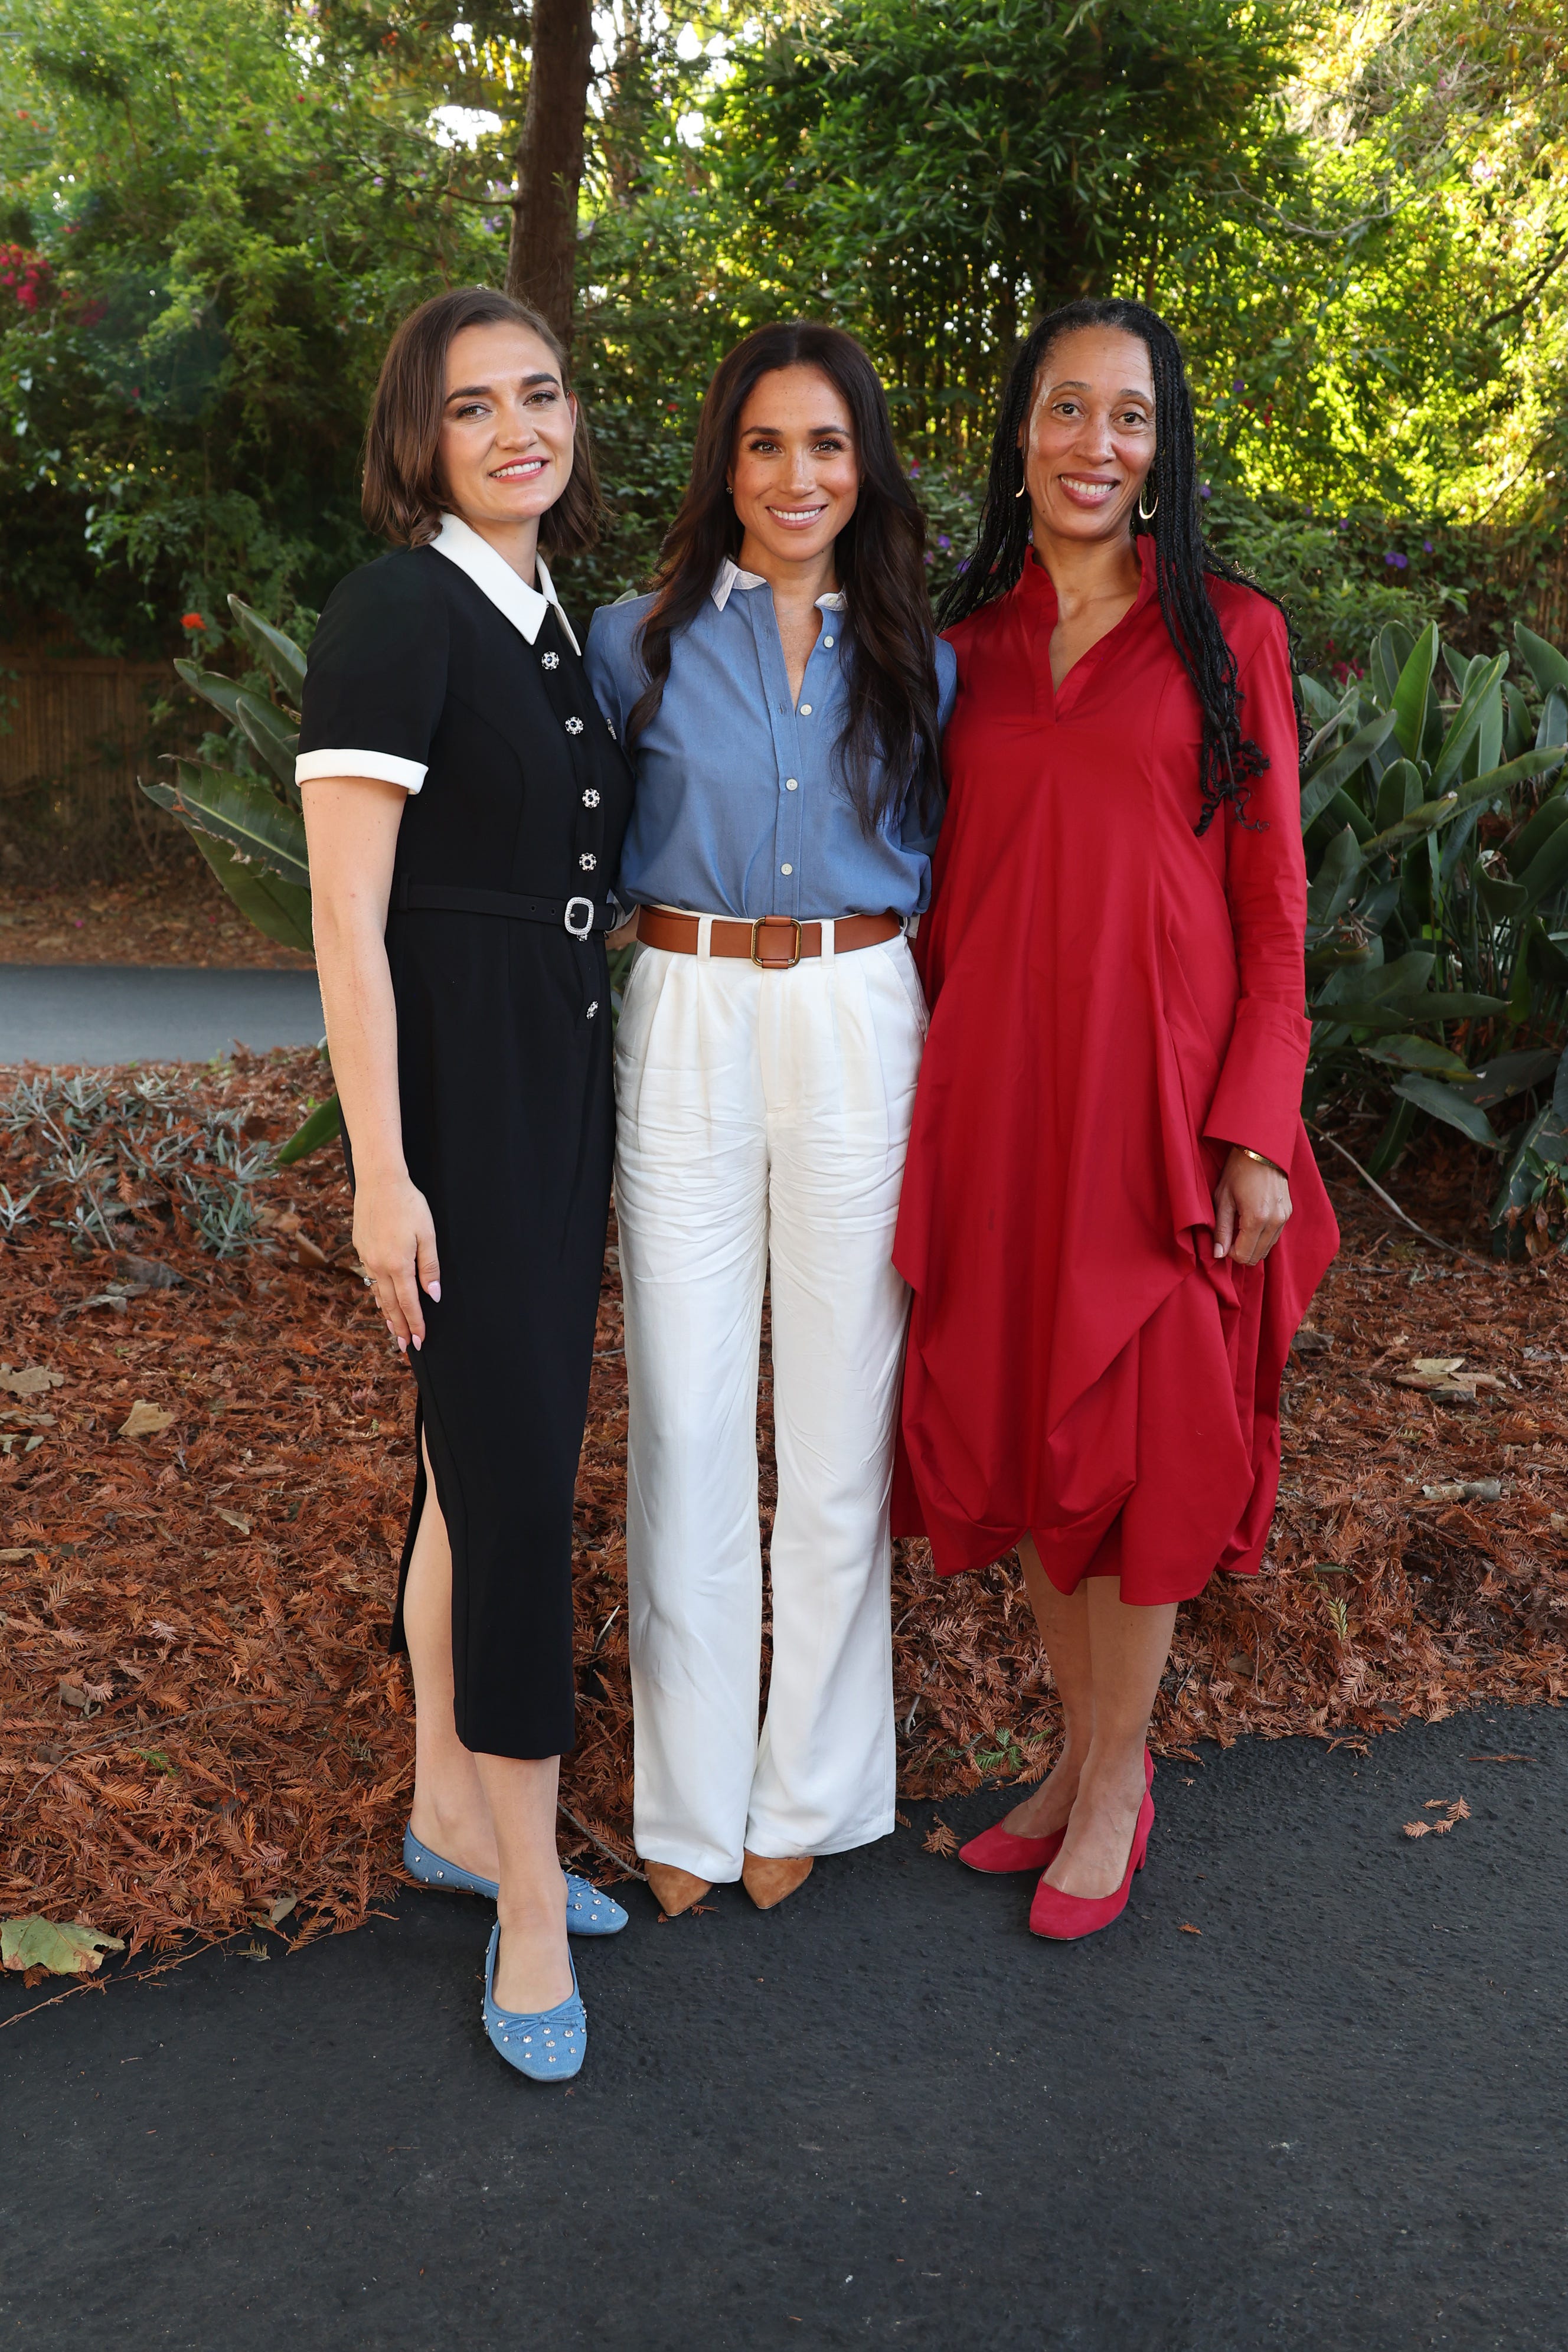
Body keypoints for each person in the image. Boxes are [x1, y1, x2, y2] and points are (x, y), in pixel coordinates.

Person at [893, 297, 1338, 1940]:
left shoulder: (1231, 635)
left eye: (1130, 418)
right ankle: (1078, 1766)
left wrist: (1257, 1127)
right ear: (1023, 430)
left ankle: (1121, 1781)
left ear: (1166, 450)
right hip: (1005, 1109)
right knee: (1033, 1447)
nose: (1097, 446)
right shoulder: (961, 646)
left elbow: (1277, 906)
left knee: (1139, 1462)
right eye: (1067, 411)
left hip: (1164, 1116)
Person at [296, 286, 635, 2080]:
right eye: (475, 406)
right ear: (419, 439)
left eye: (544, 395)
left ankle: (450, 1811)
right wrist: (384, 1178)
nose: (520, 429)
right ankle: (521, 1906)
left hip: (556, 1078)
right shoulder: (396, 609)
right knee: (511, 1501)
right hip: (465, 1106)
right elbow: (349, 925)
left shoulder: (547, 623)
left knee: (469, 1477)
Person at [584, 322, 956, 1918]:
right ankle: (686, 1806)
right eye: (763, 444)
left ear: (861, 464)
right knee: (681, 1407)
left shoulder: (920, 659)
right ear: (723, 464)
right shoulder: (635, 643)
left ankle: (807, 1787)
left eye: (824, 444)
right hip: (686, 1008)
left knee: (834, 1420)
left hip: (861, 1016)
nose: (795, 475)